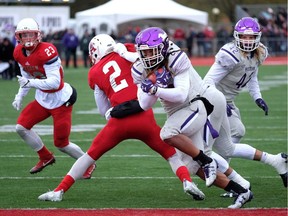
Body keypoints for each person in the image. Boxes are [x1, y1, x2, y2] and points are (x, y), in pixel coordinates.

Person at [38, 34, 208, 203]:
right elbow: (142, 57)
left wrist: (113, 113)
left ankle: (59, 190)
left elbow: (103, 109)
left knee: (89, 156)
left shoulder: (94, 72)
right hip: (143, 115)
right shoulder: (127, 50)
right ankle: (187, 181)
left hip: (119, 120)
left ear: (95, 52)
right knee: (170, 155)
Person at [129, 27, 253, 208]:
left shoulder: (176, 57)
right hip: (178, 112)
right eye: (144, 52)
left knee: (170, 135)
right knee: (190, 166)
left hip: (195, 103)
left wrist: (156, 89)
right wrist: (151, 88)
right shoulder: (139, 68)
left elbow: (180, 94)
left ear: (163, 47)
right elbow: (144, 104)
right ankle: (241, 190)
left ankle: (209, 161)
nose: (148, 56)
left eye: (152, 51)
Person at [203, 17, 287, 188]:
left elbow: (252, 76)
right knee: (208, 147)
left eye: (251, 37)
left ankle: (223, 174)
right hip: (212, 100)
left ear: (258, 37)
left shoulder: (259, 52)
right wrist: (218, 101)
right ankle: (223, 176)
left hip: (228, 101)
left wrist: (257, 97)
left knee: (236, 133)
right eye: (244, 37)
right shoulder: (230, 54)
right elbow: (207, 81)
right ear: (236, 36)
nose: (247, 41)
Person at [11, 18, 95, 178]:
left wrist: (30, 82)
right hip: (43, 98)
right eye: (25, 35)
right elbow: (25, 76)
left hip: (60, 100)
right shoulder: (18, 53)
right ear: (18, 37)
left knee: (61, 144)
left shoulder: (47, 51)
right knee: (21, 127)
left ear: (38, 35)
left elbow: (55, 83)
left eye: (31, 34)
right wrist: (19, 95)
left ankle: (88, 163)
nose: (28, 39)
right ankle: (45, 157)